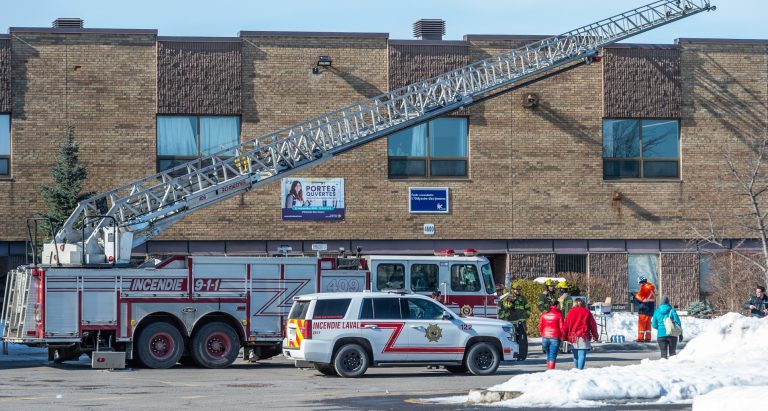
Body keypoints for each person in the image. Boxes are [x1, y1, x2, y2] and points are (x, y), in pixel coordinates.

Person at [497, 282, 531, 360]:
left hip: (521, 323)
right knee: (512, 339)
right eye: (516, 289)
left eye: (519, 290)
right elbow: (502, 311)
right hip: (511, 323)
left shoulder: (523, 299)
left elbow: (528, 309)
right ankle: (512, 355)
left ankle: (522, 356)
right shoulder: (507, 298)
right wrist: (508, 307)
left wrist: (525, 316)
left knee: (523, 340)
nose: (518, 291)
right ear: (513, 290)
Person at [562, 298, 598, 370]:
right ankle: (580, 370)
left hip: (572, 336)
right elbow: (592, 325)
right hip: (583, 336)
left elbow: (566, 325)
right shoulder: (587, 312)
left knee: (575, 355)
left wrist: (564, 336)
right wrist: (595, 335)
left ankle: (576, 370)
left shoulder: (570, 312)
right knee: (582, 355)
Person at [538, 301, 564, 370]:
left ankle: (549, 369)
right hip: (555, 337)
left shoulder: (544, 315)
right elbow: (562, 328)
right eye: (559, 305)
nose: (560, 306)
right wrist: (562, 337)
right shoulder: (559, 315)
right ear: (556, 305)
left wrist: (542, 333)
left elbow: (540, 326)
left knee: (548, 355)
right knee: (552, 355)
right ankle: (550, 371)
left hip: (545, 337)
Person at [633, 275, 656, 343]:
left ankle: (640, 338)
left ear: (641, 282)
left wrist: (635, 297)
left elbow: (640, 298)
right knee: (648, 324)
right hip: (650, 309)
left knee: (641, 324)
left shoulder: (644, 287)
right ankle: (648, 338)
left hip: (644, 308)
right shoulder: (651, 288)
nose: (639, 285)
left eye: (639, 283)